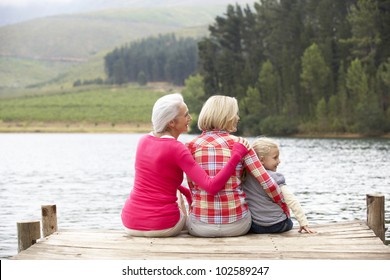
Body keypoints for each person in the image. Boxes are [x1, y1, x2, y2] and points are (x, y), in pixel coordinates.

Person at [121, 93, 250, 237]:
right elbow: (211, 186)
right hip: (162, 226)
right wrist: (236, 156)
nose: (190, 118)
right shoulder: (177, 148)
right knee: (177, 196)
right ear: (172, 123)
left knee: (168, 188)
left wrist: (189, 195)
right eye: (186, 115)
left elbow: (161, 181)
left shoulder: (143, 141)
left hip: (129, 222)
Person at [185, 95, 289, 237]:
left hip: (200, 228)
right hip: (237, 226)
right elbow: (268, 184)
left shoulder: (189, 147)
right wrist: (283, 205)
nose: (238, 118)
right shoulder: (241, 144)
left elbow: (192, 187)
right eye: (235, 114)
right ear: (226, 116)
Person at [244, 137, 316, 234]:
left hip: (256, 226)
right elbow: (291, 200)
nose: (279, 161)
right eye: (275, 157)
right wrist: (303, 223)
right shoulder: (275, 177)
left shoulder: (245, 177)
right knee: (288, 221)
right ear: (261, 160)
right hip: (278, 225)